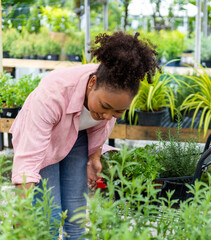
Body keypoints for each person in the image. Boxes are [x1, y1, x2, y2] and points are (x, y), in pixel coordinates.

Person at [10, 31, 159, 239]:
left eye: (117, 112)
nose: (108, 116)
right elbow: (28, 161)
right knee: (49, 215)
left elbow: (100, 127)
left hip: (77, 136)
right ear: (92, 84)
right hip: (44, 139)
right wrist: (21, 213)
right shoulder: (52, 95)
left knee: (76, 212)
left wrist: (94, 157)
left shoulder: (116, 88)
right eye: (105, 107)